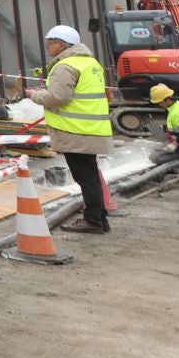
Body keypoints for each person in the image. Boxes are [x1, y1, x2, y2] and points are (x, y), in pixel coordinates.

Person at [26, 24, 114, 233]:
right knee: (90, 175)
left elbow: (58, 98)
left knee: (85, 178)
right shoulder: (91, 64)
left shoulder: (66, 66)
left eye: (50, 43)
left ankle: (93, 221)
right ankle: (100, 218)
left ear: (62, 44)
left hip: (76, 131)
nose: (48, 48)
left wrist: (33, 95)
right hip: (93, 128)